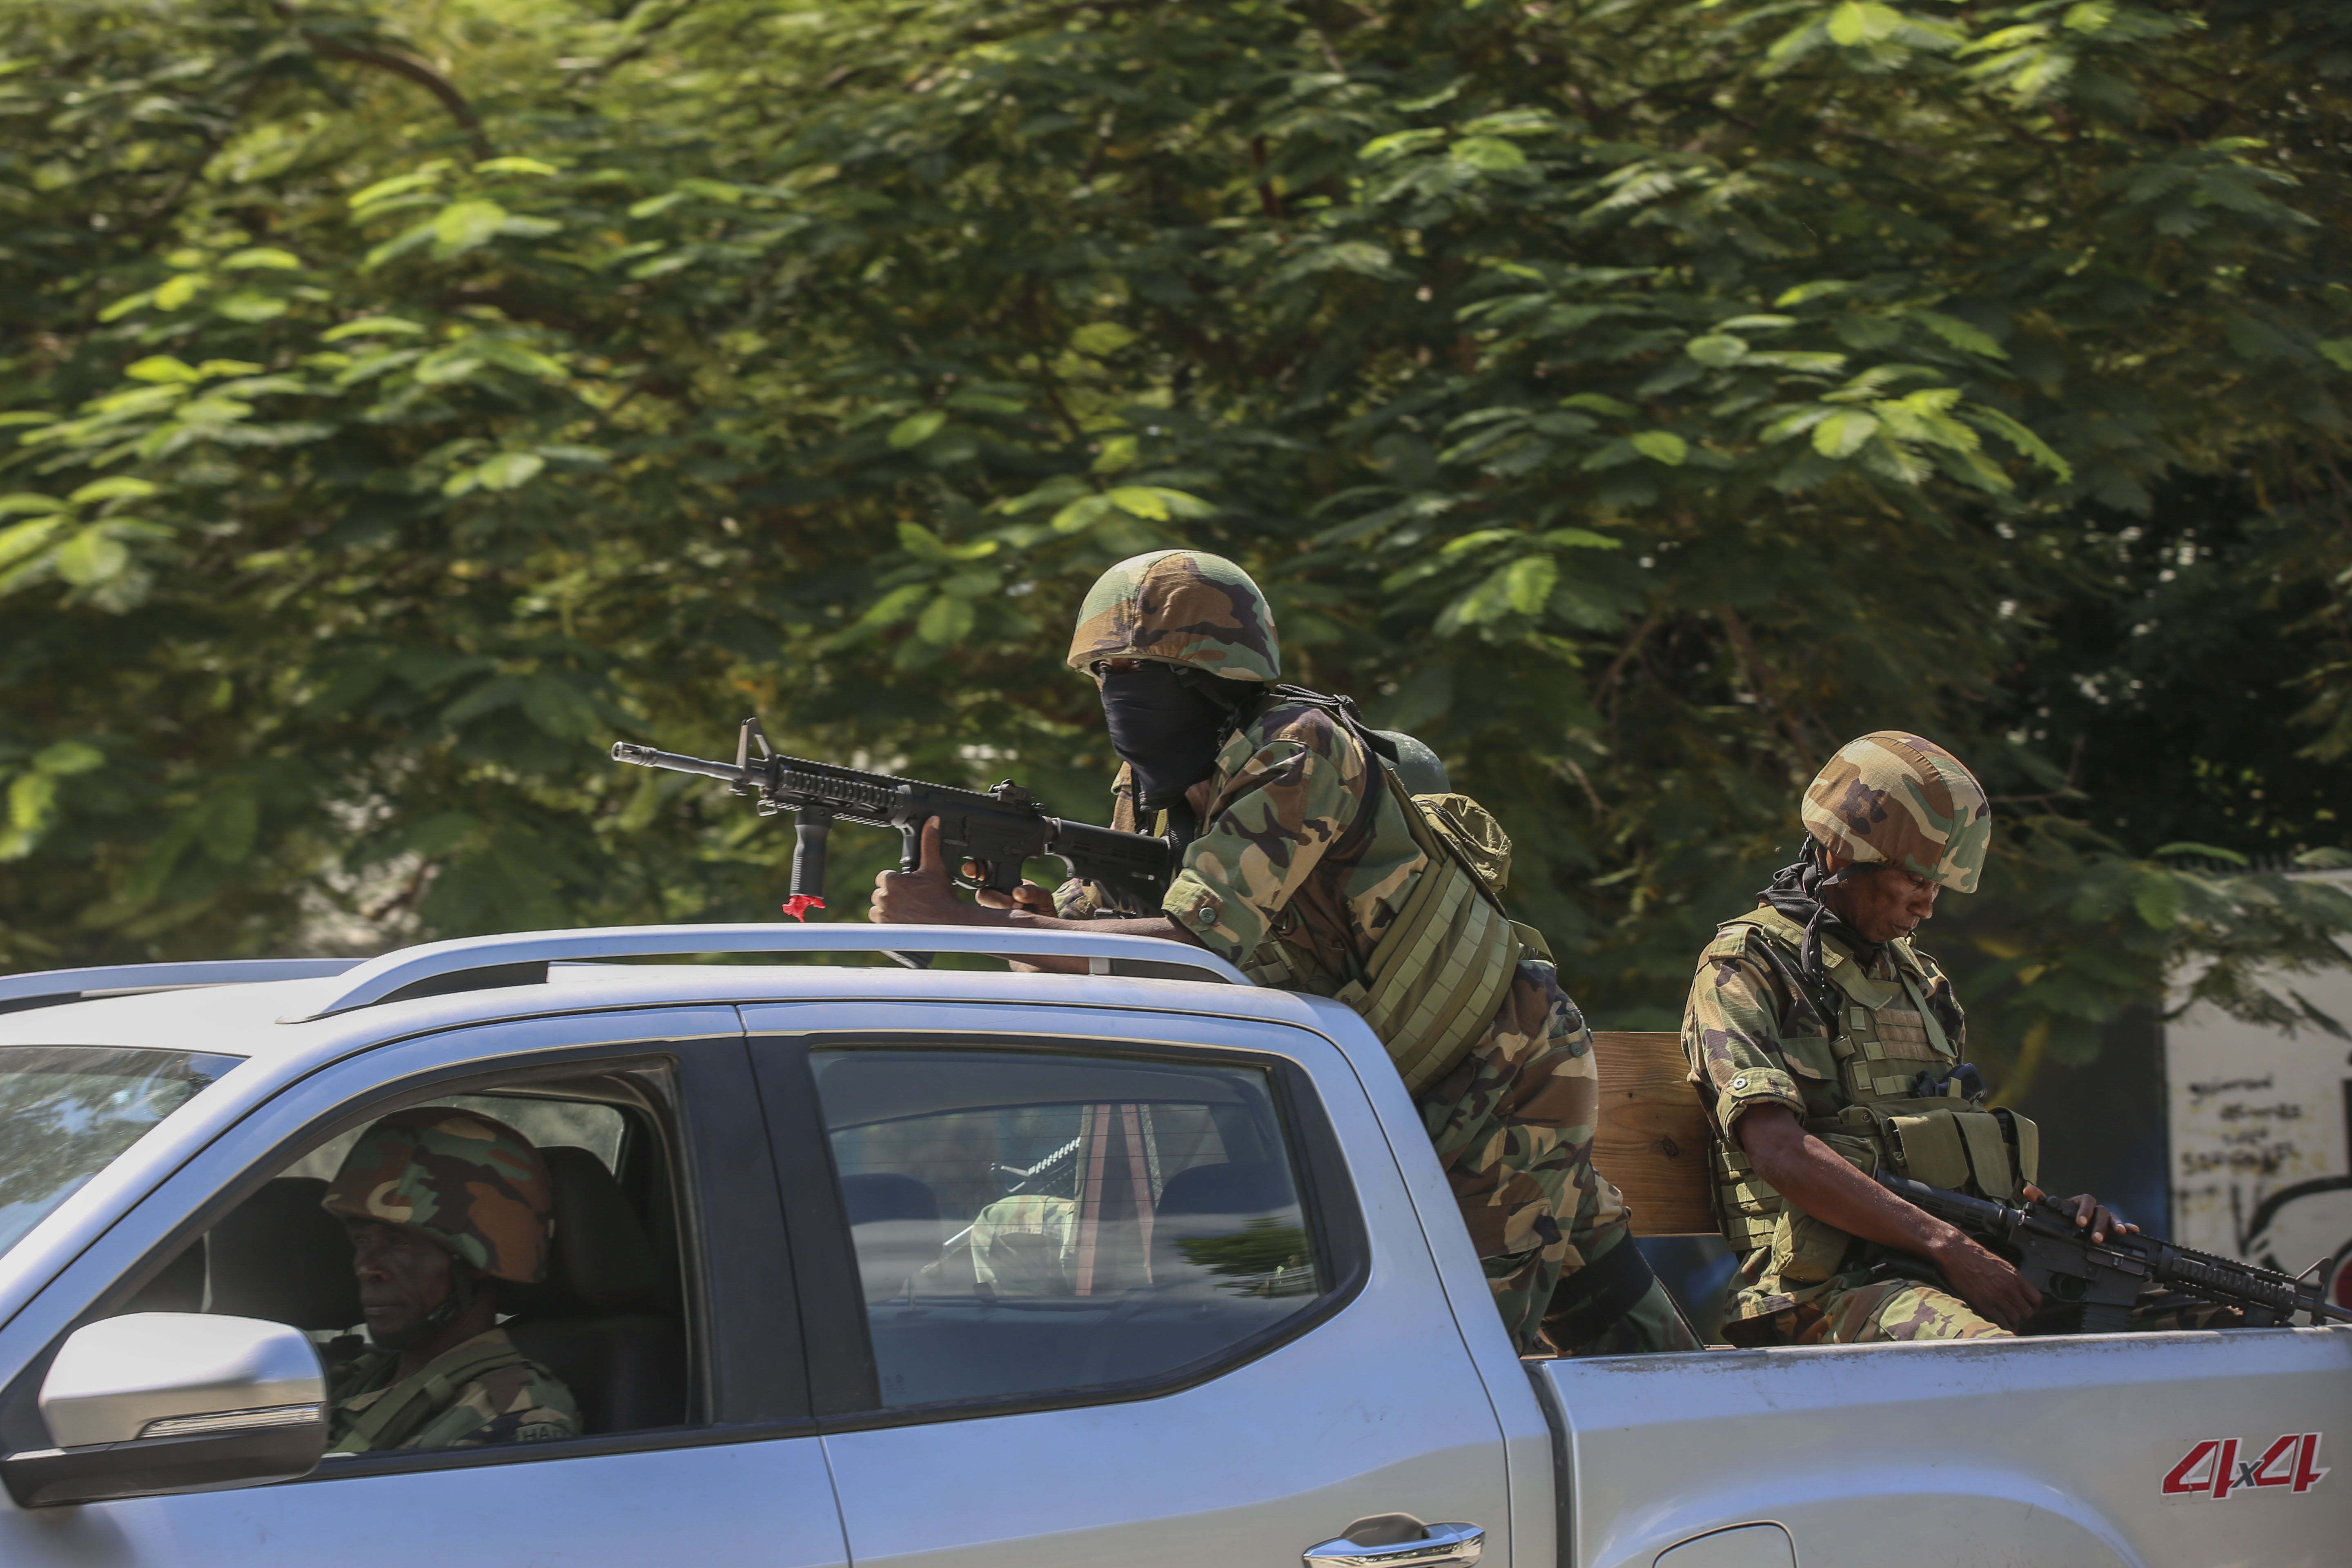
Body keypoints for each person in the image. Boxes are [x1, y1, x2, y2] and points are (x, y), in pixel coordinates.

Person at [870, 547, 1695, 1356]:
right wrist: (1030, 924)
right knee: (1604, 1294)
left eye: (1139, 676)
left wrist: (963, 926)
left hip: (1491, 1068)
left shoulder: (1298, 748)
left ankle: (1718, 1443)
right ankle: (1730, 1424)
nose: (1117, 698)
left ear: (1210, 678)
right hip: (1396, 1072)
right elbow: (1094, 948)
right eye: (1104, 678)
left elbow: (1196, 947)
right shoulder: (1153, 786)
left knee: (1455, 1354)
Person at [1685, 731, 2136, 1345]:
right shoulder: (1747, 965)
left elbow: (1943, 1147)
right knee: (1996, 1359)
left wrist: (2054, 1223)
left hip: (1942, 1270)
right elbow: (1776, 1150)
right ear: (1842, 856)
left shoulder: (1920, 982)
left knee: (2190, 1328)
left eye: (1938, 886)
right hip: (1825, 1293)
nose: (1928, 905)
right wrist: (1947, 1246)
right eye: (1916, 880)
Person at [318, 1106, 580, 1452]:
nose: (366, 1267)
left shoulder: (516, 1412)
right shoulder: (358, 1379)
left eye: (399, 1243)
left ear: (477, 1262)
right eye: (363, 1241)